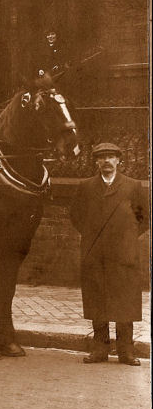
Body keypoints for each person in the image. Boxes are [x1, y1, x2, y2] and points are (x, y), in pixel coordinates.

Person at [70, 142, 149, 366]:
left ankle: (126, 351)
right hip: (95, 253)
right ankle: (100, 350)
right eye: (101, 157)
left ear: (118, 161)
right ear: (96, 161)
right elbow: (76, 216)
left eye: (110, 157)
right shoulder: (86, 187)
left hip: (124, 254)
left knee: (125, 302)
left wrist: (126, 238)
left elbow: (143, 218)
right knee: (98, 300)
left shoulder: (132, 186)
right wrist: (94, 237)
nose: (106, 161)